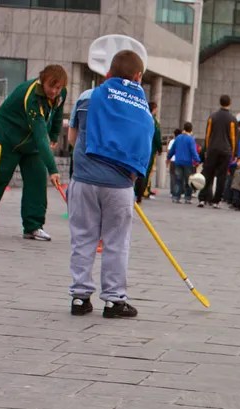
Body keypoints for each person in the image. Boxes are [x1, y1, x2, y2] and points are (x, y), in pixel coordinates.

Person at [65, 49, 153, 319]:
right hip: (119, 182)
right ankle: (114, 300)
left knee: (83, 238)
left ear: (108, 73)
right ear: (138, 77)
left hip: (83, 179)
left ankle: (80, 298)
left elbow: (71, 139)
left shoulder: (87, 97)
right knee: (116, 241)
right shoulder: (140, 106)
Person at [0, 65, 67, 239]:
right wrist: (53, 169)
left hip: (31, 144)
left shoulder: (60, 93)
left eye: (58, 88)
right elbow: (40, 133)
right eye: (51, 87)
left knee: (36, 180)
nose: (54, 91)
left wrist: (55, 135)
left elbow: (57, 114)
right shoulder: (32, 96)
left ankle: (33, 226)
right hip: (7, 139)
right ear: (43, 81)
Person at [199, 94, 237, 208]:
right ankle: (216, 201)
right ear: (229, 103)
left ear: (220, 102)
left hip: (212, 149)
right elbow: (233, 138)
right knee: (222, 177)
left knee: (207, 174)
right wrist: (234, 152)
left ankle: (202, 198)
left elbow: (207, 135)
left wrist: (206, 149)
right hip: (225, 151)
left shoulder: (212, 117)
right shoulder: (232, 119)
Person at [168, 122, 202, 204]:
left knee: (178, 180)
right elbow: (193, 151)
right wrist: (197, 160)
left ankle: (176, 197)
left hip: (178, 161)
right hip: (188, 163)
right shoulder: (191, 139)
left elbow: (173, 149)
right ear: (191, 130)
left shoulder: (178, 138)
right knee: (188, 181)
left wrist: (168, 157)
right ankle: (187, 198)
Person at [135, 101, 161, 202]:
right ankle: (144, 191)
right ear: (154, 109)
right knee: (147, 171)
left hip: (139, 147)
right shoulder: (153, 121)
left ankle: (137, 190)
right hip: (150, 149)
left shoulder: (141, 117)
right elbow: (157, 136)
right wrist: (159, 148)